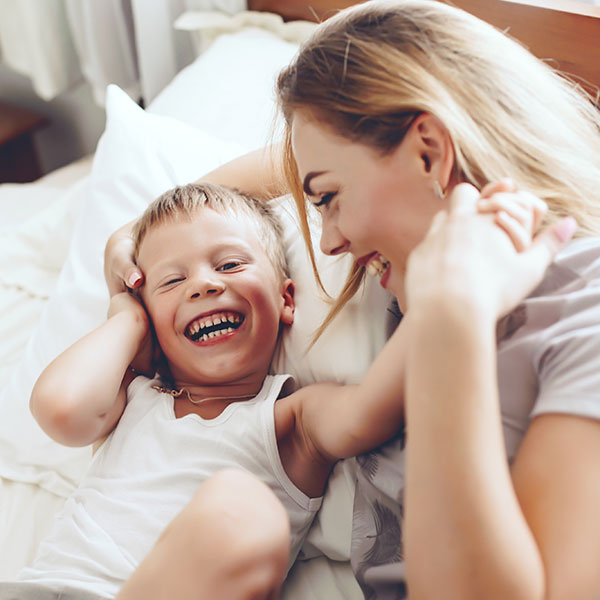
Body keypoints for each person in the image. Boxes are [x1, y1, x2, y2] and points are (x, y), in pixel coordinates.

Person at [104, 2, 600, 600]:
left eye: (330, 198)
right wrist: (134, 235)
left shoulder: (579, 312)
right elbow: (281, 169)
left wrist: (452, 319)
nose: (331, 240)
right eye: (316, 204)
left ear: (429, 154)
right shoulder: (416, 269)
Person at [10, 180, 441, 600]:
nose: (203, 285)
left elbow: (371, 409)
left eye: (230, 265)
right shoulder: (132, 397)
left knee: (242, 509)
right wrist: (127, 315)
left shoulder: (291, 420)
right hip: (47, 588)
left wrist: (442, 283)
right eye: (171, 282)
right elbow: (59, 409)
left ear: (286, 300)